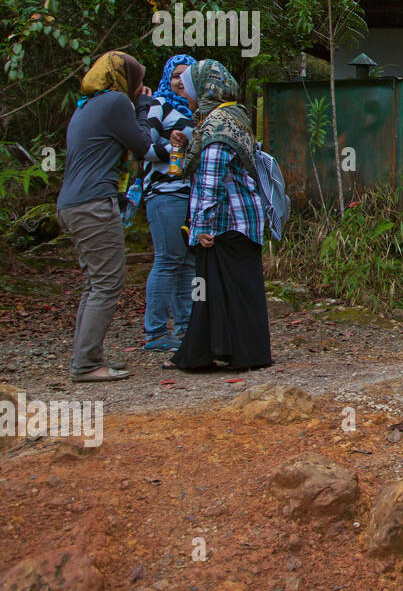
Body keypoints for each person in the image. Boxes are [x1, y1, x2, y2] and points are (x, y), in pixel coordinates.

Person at [167, 60, 273, 372]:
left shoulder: (217, 127)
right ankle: (233, 352)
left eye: (190, 88)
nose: (187, 94)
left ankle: (209, 354)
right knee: (230, 291)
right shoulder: (234, 117)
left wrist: (201, 226)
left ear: (205, 88)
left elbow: (211, 180)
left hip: (229, 223)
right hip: (243, 221)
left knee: (214, 290)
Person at [55, 51, 154, 383]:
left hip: (71, 205)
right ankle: (85, 365)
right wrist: (141, 106)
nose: (138, 85)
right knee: (108, 283)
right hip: (94, 204)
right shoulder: (115, 102)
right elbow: (142, 145)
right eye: (136, 79)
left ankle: (85, 358)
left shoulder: (85, 106)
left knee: (94, 283)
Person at [141, 53, 198, 353]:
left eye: (187, 76)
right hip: (165, 193)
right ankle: (156, 332)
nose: (180, 81)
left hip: (190, 193)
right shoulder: (158, 105)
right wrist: (171, 147)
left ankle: (185, 328)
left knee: (188, 261)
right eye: (176, 75)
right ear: (167, 78)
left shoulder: (197, 110)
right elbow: (141, 146)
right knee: (167, 260)